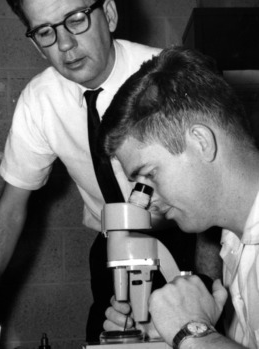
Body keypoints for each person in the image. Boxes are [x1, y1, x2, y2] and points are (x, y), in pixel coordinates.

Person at [0, 0, 221, 342]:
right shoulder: (39, 101)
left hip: (185, 239)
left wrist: (206, 289)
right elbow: (11, 209)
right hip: (112, 248)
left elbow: (213, 190)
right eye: (46, 31)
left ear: (111, 15)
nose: (65, 44)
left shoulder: (168, 77)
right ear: (35, 44)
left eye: (75, 20)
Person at [98, 46, 259, 348]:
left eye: (150, 175)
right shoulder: (235, 244)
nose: (147, 200)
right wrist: (166, 331)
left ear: (200, 141)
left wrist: (191, 331)